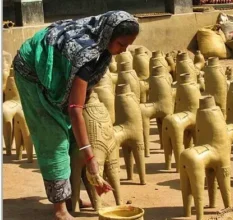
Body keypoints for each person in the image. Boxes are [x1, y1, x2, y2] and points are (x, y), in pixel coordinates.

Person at [13, 10, 139, 220]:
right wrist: (90, 158)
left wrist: (85, 147)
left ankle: (73, 195)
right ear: (109, 37)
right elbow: (74, 109)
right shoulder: (85, 56)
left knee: (74, 137)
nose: (124, 50)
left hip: (55, 63)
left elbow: (81, 97)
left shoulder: (101, 42)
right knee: (55, 139)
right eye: (121, 44)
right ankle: (60, 210)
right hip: (31, 72)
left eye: (128, 45)